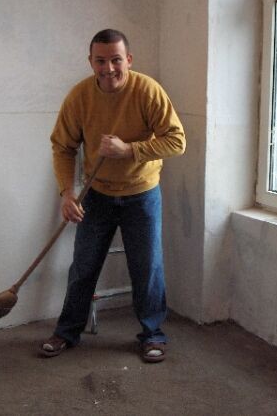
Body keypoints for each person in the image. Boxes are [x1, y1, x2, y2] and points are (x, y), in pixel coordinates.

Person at [40, 29, 185, 362]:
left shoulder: (147, 91)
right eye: (101, 61)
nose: (108, 69)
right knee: (83, 267)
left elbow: (177, 141)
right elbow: (62, 147)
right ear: (90, 61)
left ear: (128, 60)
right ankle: (67, 332)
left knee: (147, 268)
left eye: (116, 60)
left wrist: (129, 150)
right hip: (97, 196)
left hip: (142, 194)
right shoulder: (79, 96)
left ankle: (152, 335)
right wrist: (67, 193)